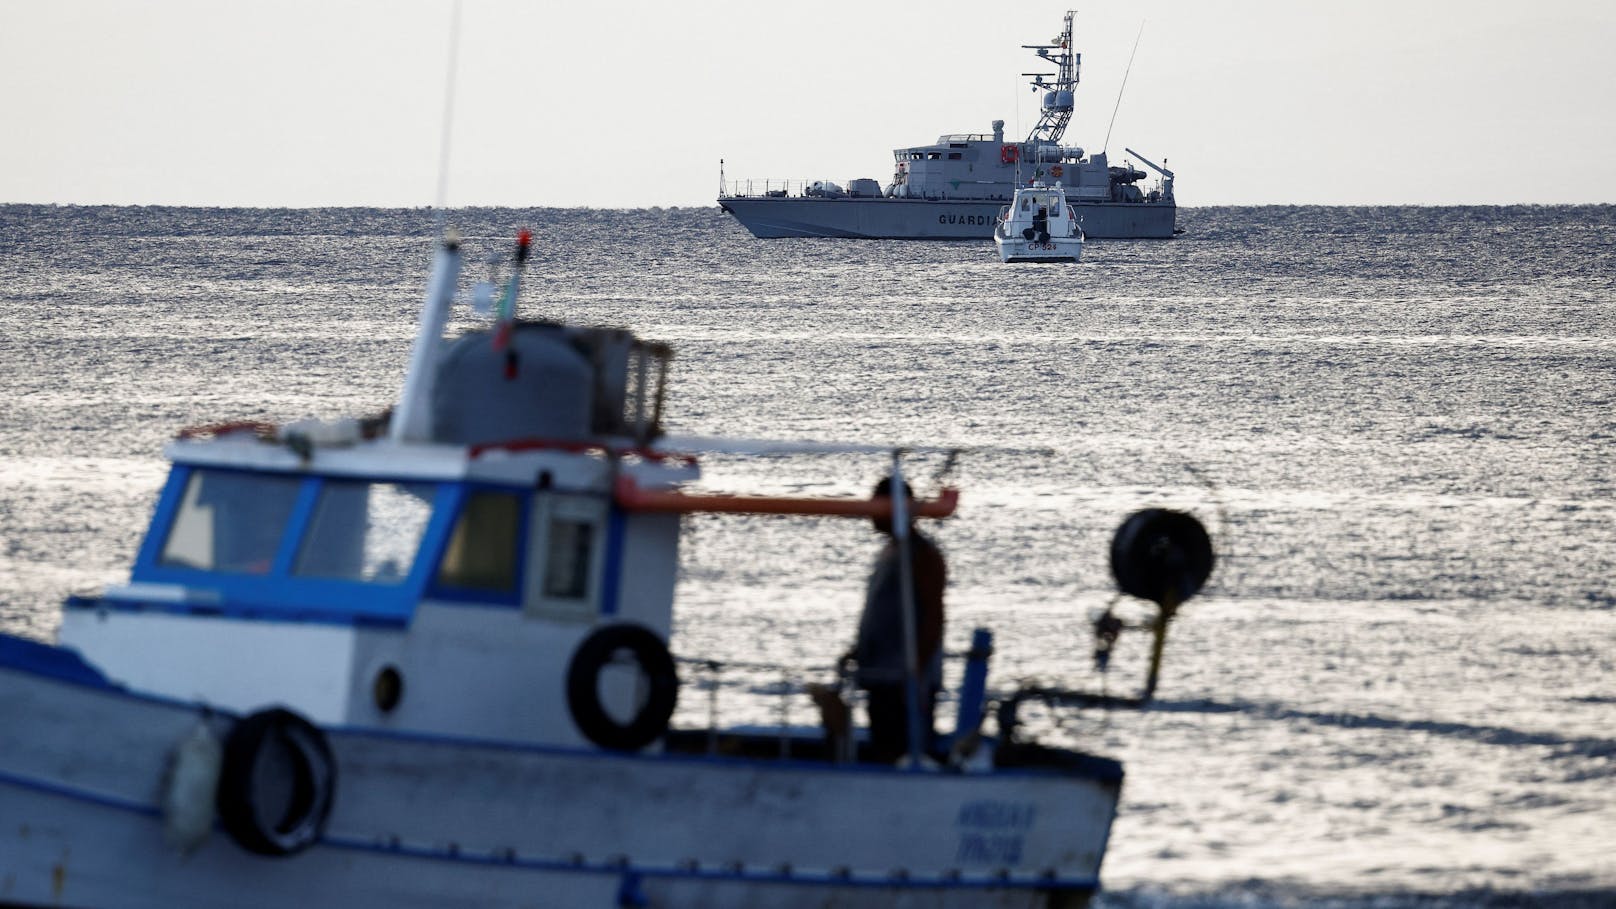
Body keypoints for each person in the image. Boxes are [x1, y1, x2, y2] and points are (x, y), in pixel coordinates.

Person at [842, 477, 947, 764]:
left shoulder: (922, 555)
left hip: (904, 678)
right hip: (881, 673)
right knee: (883, 745)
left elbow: (933, 618)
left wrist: (916, 671)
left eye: (878, 507)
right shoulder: (891, 552)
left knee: (903, 749)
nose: (870, 514)